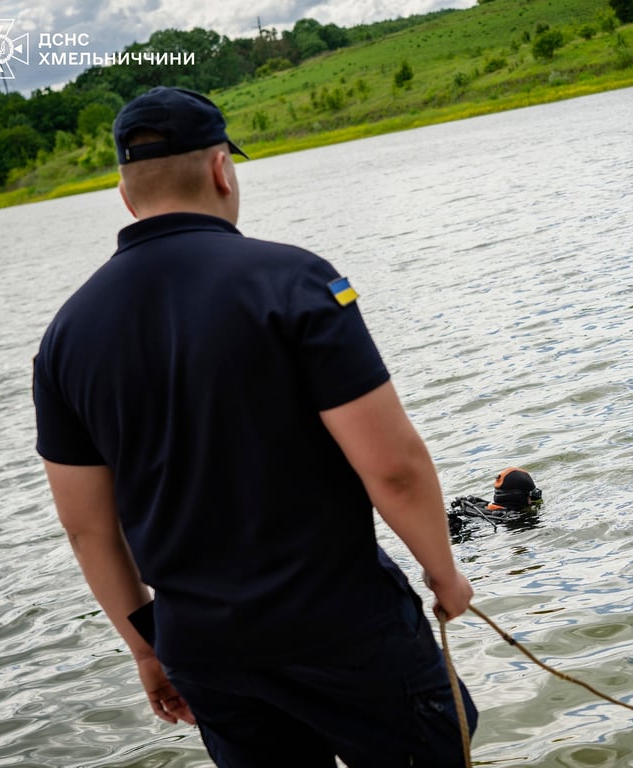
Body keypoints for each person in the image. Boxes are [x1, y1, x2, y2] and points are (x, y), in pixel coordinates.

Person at [32, 86, 476, 767]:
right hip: (340, 622)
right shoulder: (295, 281)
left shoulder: (63, 339)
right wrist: (442, 571)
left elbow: (87, 527)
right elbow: (392, 465)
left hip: (203, 648)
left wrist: (148, 649)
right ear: (221, 170)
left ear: (126, 195)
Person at [447, 467, 543, 540]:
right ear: (520, 498)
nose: (533, 500)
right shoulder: (515, 520)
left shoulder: (479, 507)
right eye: (533, 496)